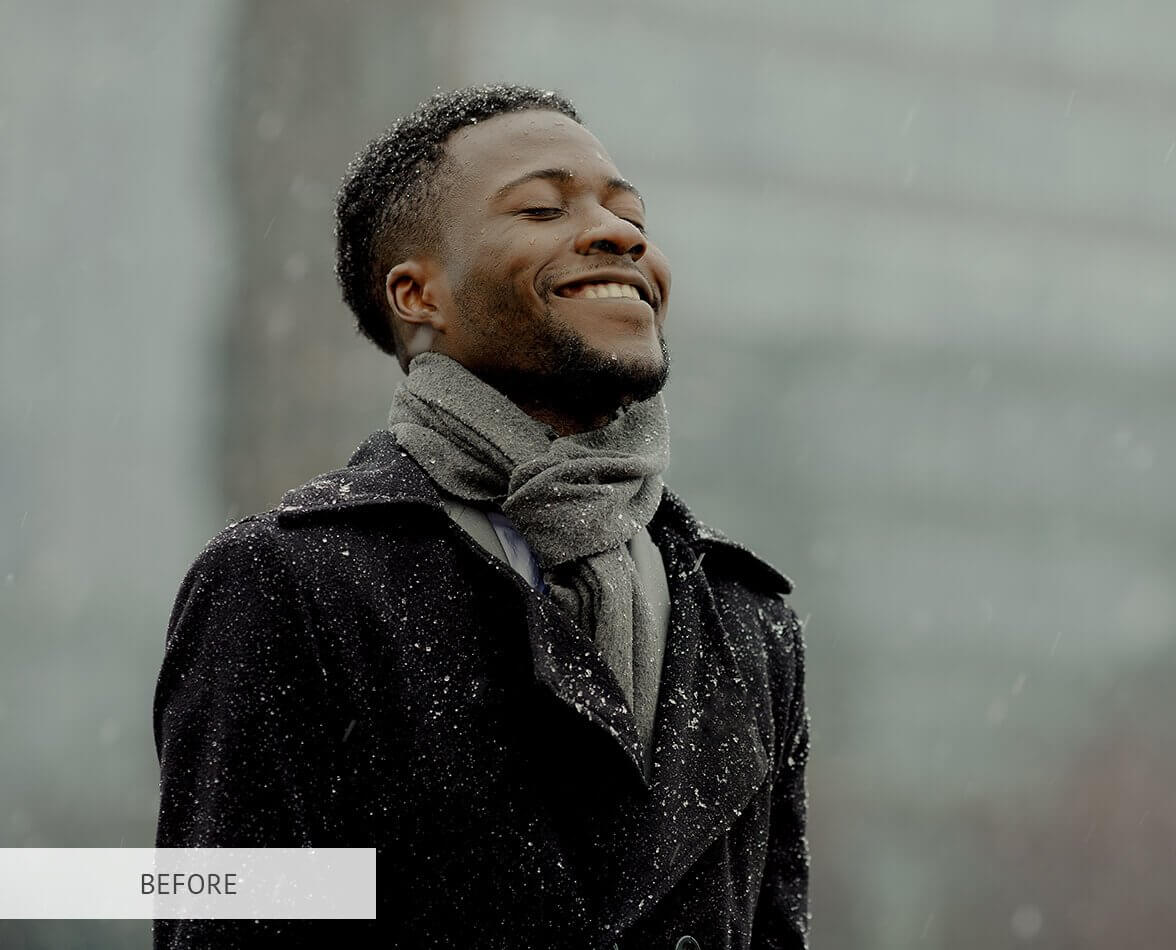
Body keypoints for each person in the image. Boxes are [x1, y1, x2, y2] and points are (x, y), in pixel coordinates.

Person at [152, 83, 810, 950]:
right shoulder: (287, 588)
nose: (621, 235)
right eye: (541, 208)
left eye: (630, 214)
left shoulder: (747, 620)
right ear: (418, 295)